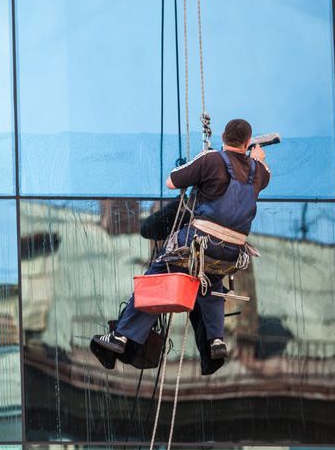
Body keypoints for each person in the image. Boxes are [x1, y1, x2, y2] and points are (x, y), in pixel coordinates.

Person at [91, 118, 270, 373]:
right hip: (231, 252)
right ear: (248, 143)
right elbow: (262, 172)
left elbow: (172, 181)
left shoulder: (211, 160)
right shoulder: (259, 171)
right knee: (211, 283)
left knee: (158, 276)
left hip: (199, 241)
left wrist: (202, 158)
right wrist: (258, 158)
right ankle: (216, 340)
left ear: (222, 136)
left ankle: (122, 335)